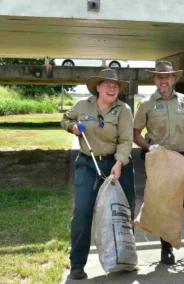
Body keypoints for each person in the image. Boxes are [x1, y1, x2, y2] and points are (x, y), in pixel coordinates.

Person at [61, 69, 135, 280]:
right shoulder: (82, 105)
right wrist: (72, 127)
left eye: (116, 86)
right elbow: (65, 119)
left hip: (118, 164)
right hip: (88, 164)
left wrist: (119, 163)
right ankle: (77, 264)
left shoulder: (124, 110)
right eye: (108, 85)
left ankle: (125, 258)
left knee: (123, 211)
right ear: (98, 87)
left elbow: (125, 140)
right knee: (83, 212)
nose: (112, 89)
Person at [133, 60, 184, 265]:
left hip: (183, 160)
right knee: (164, 205)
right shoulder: (146, 104)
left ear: (174, 79)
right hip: (161, 161)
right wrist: (149, 147)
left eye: (167, 76)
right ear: (154, 79)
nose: (163, 80)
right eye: (159, 76)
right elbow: (135, 134)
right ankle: (166, 250)